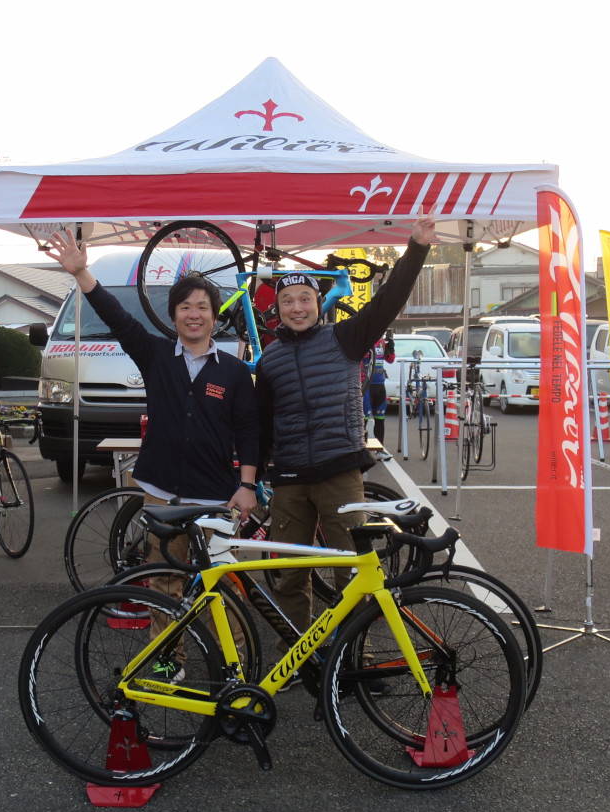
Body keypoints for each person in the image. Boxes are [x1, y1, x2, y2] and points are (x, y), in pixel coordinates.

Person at [46, 227, 259, 679]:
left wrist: (246, 486)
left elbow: (248, 429)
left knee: (224, 586)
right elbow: (119, 320)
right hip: (161, 492)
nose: (194, 314)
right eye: (186, 307)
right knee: (164, 581)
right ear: (174, 315)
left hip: (215, 497)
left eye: (203, 306)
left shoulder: (236, 372)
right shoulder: (156, 355)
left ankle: (234, 666)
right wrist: (83, 275)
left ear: (214, 315)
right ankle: (168, 660)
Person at [255, 210, 441, 667]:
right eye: (287, 301)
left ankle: (354, 656)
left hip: (340, 473)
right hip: (290, 480)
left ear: (318, 303)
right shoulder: (270, 360)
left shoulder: (346, 338)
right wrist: (250, 479)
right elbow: (261, 427)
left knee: (350, 570)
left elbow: (389, 301)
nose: (296, 307)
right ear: (276, 310)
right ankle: (298, 657)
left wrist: (415, 248)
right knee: (288, 576)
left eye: (305, 298)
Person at [361, 330, 396, 455]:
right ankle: (361, 451)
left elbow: (390, 360)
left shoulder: (381, 342)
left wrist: (391, 348)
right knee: (363, 420)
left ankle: (380, 450)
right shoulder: (364, 340)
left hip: (380, 385)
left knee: (380, 419)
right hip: (366, 386)